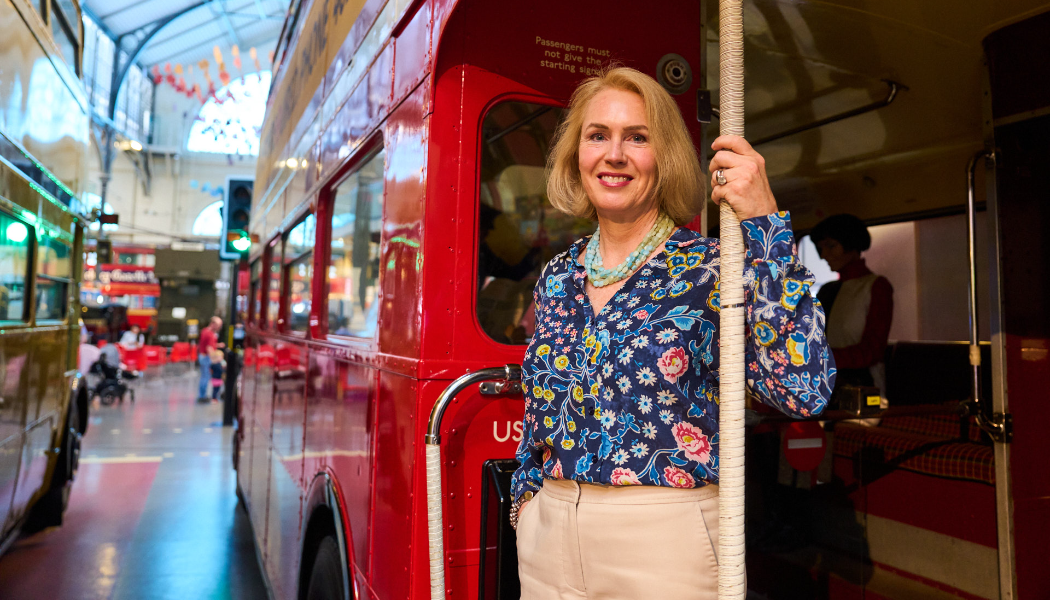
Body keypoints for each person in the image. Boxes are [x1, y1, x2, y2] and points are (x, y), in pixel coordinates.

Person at [510, 67, 835, 600]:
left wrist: (765, 223)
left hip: (663, 546)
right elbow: (538, 413)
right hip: (548, 539)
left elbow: (803, 389)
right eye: (598, 135)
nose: (614, 154)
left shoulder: (714, 268)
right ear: (576, 155)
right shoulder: (558, 276)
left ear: (667, 158)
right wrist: (526, 503)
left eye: (637, 138)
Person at [810, 214, 893, 392]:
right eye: (821, 248)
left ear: (852, 244)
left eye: (831, 246)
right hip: (826, 384)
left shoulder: (876, 286)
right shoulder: (827, 290)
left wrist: (824, 358)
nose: (824, 255)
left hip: (863, 385)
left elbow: (873, 350)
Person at [198, 316, 223, 402]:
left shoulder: (207, 332)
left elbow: (210, 345)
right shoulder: (208, 333)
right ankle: (202, 397)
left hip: (205, 356)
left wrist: (218, 345)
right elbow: (209, 348)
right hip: (205, 357)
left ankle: (203, 395)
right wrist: (216, 358)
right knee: (205, 376)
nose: (219, 327)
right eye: (218, 325)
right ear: (213, 324)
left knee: (205, 376)